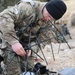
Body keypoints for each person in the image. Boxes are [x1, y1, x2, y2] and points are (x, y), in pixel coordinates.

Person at [0, 0, 67, 75]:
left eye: (52, 19)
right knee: (14, 70)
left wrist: (32, 49)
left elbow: (43, 40)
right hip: (9, 36)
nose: (48, 19)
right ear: (46, 7)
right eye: (49, 16)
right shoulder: (27, 8)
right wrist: (14, 42)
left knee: (28, 69)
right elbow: (3, 17)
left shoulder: (49, 22)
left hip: (26, 42)